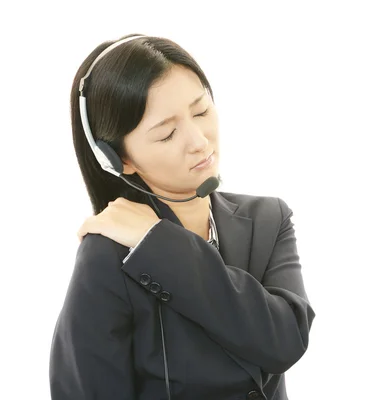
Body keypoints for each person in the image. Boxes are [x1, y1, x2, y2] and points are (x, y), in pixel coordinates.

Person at [49, 33, 316, 400]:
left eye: (202, 111)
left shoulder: (269, 219)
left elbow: (285, 340)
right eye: (168, 133)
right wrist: (157, 246)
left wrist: (160, 242)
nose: (199, 141)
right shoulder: (105, 256)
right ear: (118, 159)